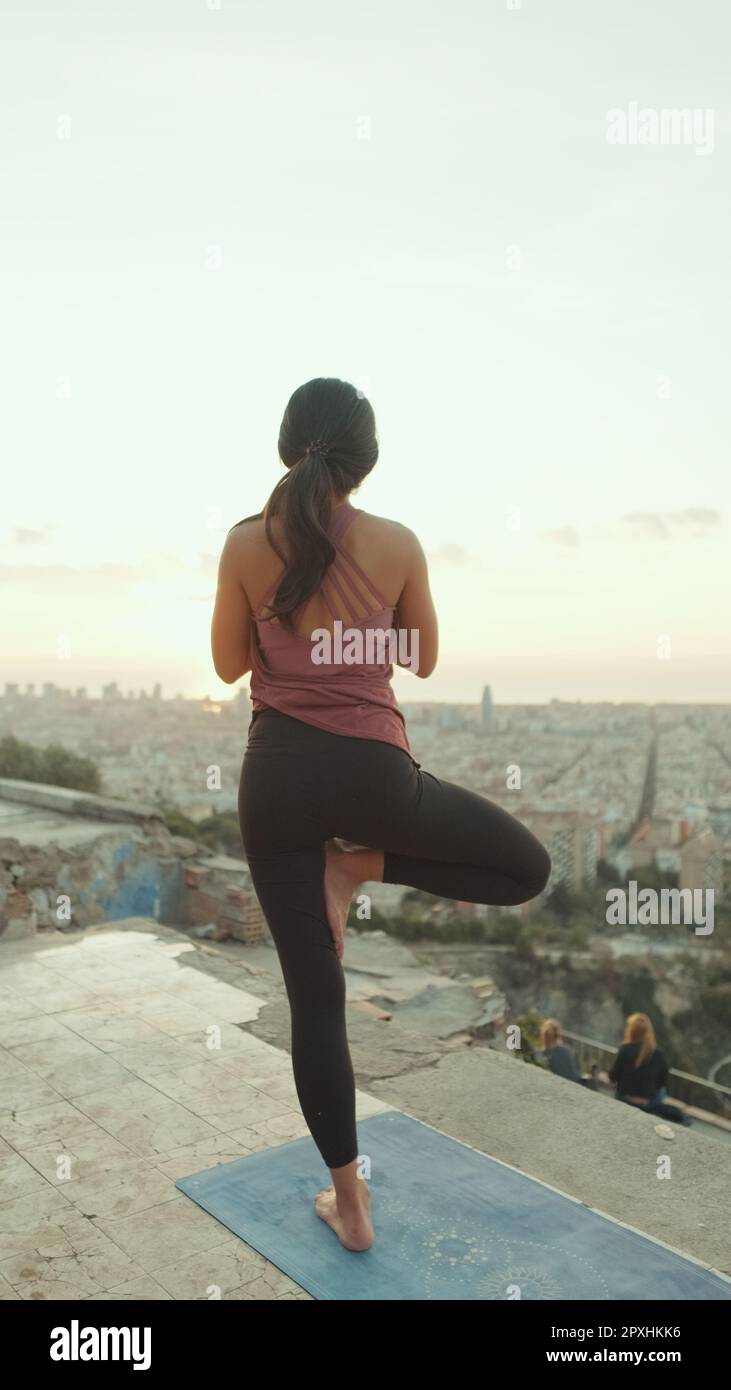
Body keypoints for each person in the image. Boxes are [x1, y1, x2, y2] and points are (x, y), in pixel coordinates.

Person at [211, 377, 552, 1252]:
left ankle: (350, 1207)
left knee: (314, 1001)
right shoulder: (396, 544)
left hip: (275, 780)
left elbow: (223, 665)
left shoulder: (246, 544)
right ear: (365, 460)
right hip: (372, 776)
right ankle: (362, 865)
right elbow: (426, 658)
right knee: (526, 869)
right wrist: (364, 620)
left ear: (288, 447)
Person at [609, 1013, 669, 1107]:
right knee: (662, 1091)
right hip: (648, 1102)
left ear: (630, 1031)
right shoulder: (659, 1054)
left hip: (625, 1098)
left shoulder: (625, 1049)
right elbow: (663, 1081)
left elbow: (613, 1077)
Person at [537, 1018, 583, 1083]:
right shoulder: (569, 1051)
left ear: (544, 1036)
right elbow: (578, 1072)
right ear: (558, 1035)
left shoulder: (541, 1055)